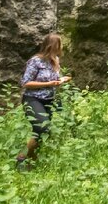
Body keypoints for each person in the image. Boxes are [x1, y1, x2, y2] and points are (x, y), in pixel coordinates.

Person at [15, 33, 71, 169]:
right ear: (53, 45)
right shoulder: (36, 61)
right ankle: (21, 157)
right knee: (42, 127)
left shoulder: (56, 60)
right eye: (60, 43)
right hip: (33, 99)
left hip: (49, 100)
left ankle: (30, 163)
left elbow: (54, 79)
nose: (62, 46)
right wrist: (48, 84)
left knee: (40, 132)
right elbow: (26, 83)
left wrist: (61, 80)